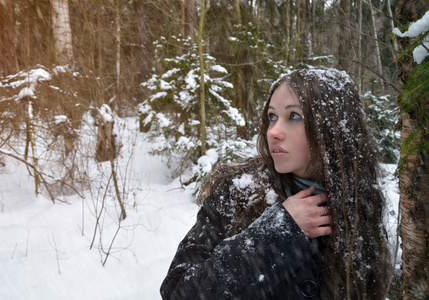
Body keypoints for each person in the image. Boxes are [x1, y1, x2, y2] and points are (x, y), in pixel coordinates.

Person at [160, 67, 391, 299]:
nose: (274, 131)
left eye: (294, 116)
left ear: (333, 126)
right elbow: (178, 291)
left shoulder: (360, 205)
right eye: (272, 117)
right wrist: (276, 234)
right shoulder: (238, 192)